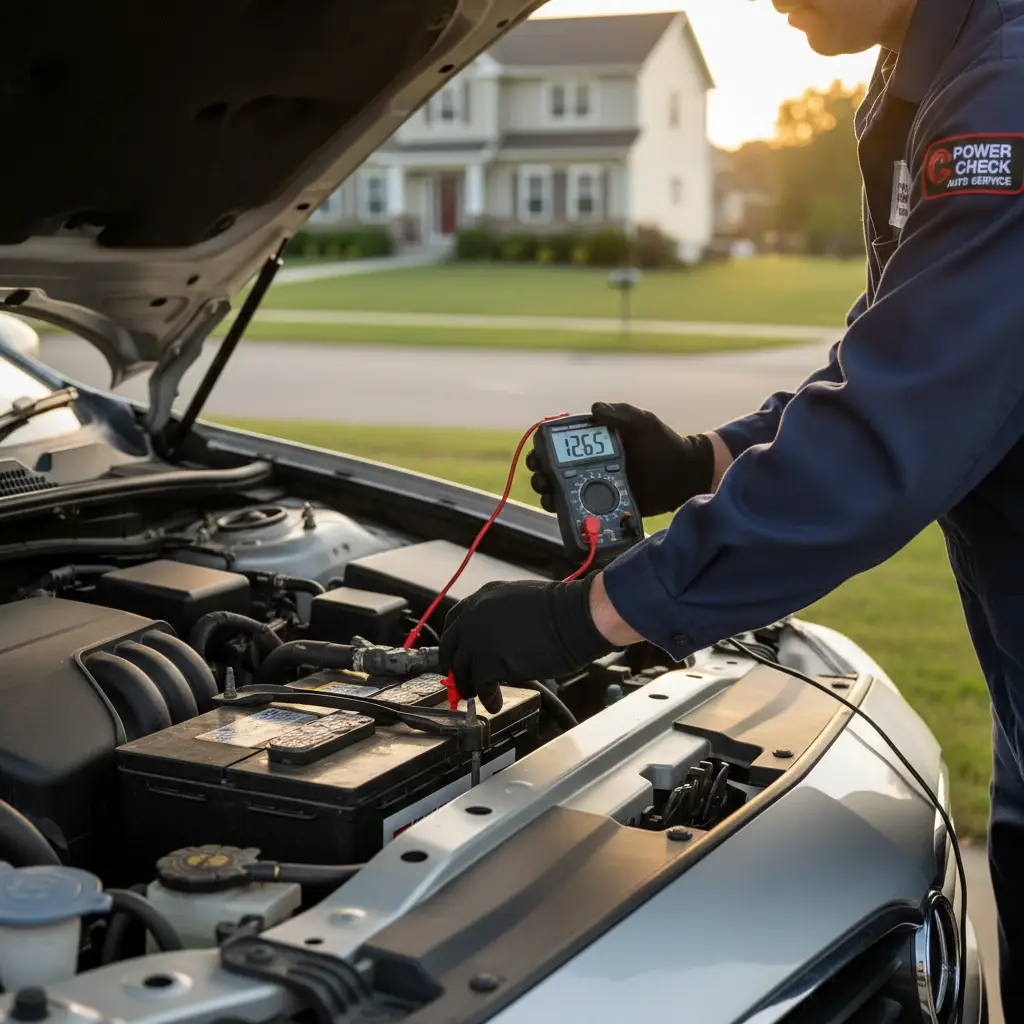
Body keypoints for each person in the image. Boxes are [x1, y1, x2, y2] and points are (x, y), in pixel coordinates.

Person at [439, 0, 1024, 1013]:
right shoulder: (922, 70)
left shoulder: (1007, 86)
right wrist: (697, 458)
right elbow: (883, 367)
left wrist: (594, 614)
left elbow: (893, 435)